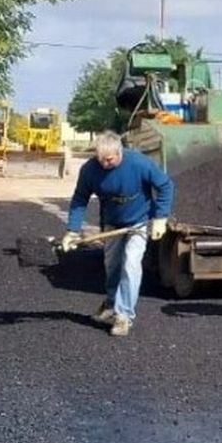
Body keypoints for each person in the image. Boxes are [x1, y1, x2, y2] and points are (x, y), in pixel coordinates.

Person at [61, 131, 174, 337]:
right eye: (101, 159)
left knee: (130, 265)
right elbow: (80, 199)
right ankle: (111, 304)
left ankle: (124, 316)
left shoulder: (139, 164)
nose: (104, 164)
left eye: (109, 160)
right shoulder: (90, 170)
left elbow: (165, 185)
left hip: (138, 223)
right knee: (112, 265)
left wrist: (160, 218)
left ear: (119, 152)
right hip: (112, 224)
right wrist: (72, 230)